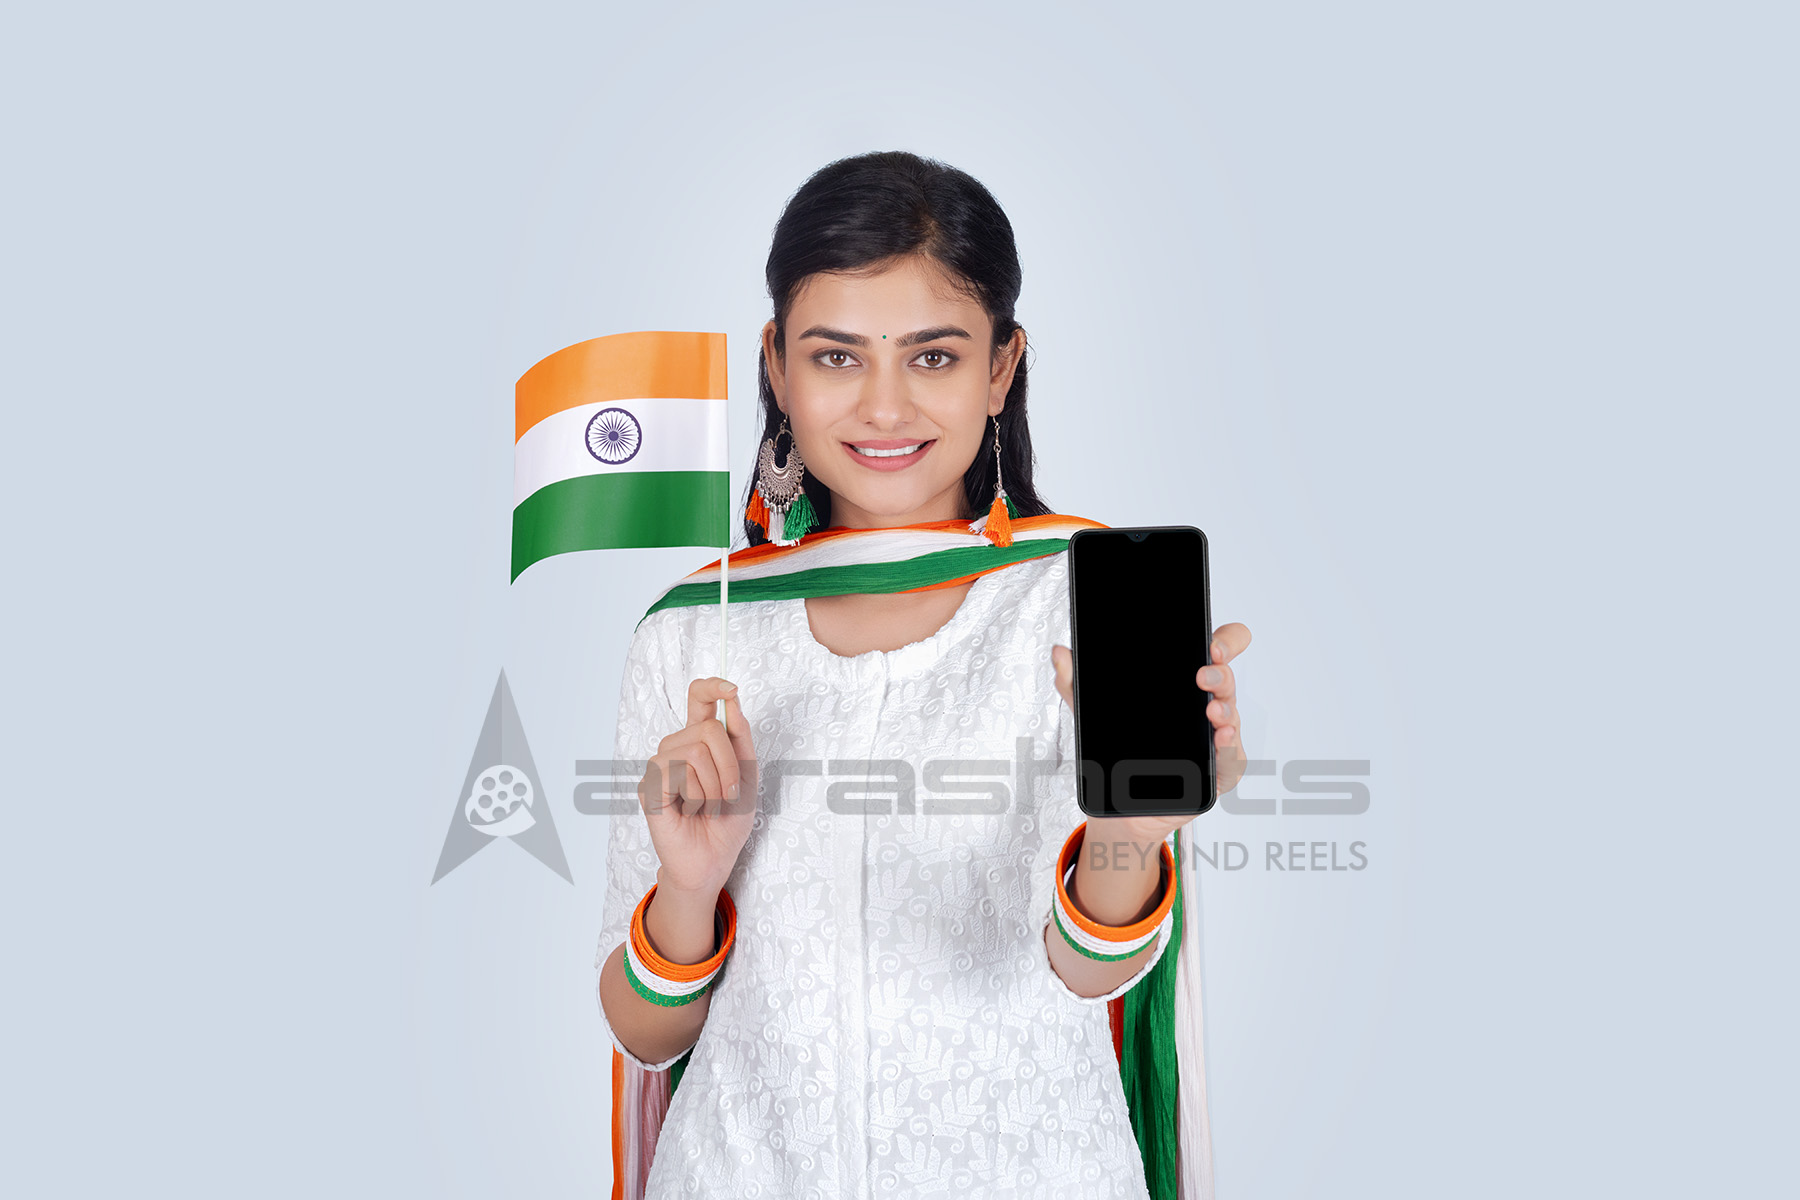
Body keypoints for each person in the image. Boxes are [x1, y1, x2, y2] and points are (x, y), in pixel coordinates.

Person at [595, 150, 1251, 1200]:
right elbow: (642, 1033)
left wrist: (1128, 827)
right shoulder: (694, 636)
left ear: (1002, 368)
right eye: (837, 357)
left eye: (935, 358)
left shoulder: (1076, 602)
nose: (885, 408)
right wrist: (690, 882)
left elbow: (1092, 973)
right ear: (775, 365)